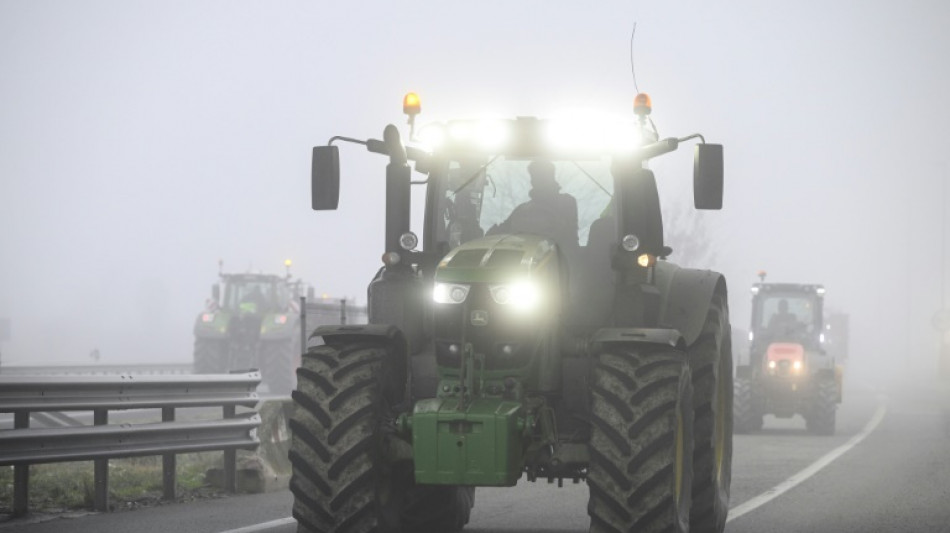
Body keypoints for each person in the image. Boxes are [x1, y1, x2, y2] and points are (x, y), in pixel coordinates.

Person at [487, 159, 579, 249]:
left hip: (557, 260)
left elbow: (566, 236)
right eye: (534, 177)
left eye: (541, 176)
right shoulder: (521, 210)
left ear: (551, 177)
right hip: (520, 261)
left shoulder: (566, 203)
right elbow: (500, 232)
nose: (535, 181)